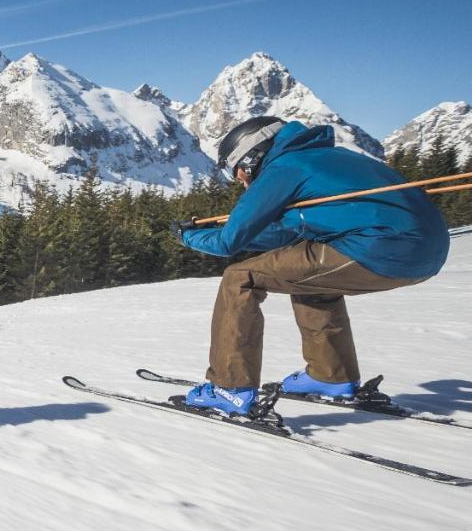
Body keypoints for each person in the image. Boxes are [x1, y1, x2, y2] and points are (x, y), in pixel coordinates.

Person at [175, 116, 449, 416]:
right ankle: (329, 376)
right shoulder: (331, 158)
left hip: (382, 248)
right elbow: (285, 233)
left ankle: (230, 388)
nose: (240, 180)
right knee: (305, 277)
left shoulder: (283, 168)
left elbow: (229, 242)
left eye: (236, 170)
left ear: (252, 156)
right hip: (428, 249)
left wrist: (187, 236)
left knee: (240, 277)